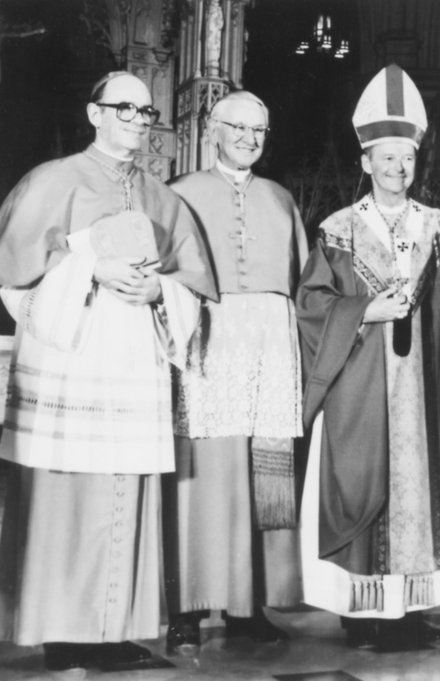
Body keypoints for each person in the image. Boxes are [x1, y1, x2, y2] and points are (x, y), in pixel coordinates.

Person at [0, 71, 216, 671]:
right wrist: (88, 269)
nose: (137, 119)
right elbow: (13, 281)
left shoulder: (163, 197)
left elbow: (193, 286)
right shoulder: (50, 181)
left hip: (134, 366)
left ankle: (116, 630)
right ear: (94, 113)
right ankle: (62, 630)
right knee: (66, 496)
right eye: (124, 108)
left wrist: (160, 290)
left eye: (146, 112)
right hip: (73, 357)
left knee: (130, 491)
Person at [295, 64, 440, 649]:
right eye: (385, 158)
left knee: (421, 484)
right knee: (365, 484)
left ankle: (409, 612)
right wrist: (363, 312)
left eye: (406, 158)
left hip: (422, 387)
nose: (397, 168)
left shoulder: (439, 226)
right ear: (365, 162)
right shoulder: (338, 231)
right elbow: (312, 305)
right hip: (359, 386)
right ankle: (362, 611)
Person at [163, 90, 307, 646]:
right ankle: (189, 609)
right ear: (214, 129)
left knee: (263, 470)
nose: (248, 139)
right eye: (238, 128)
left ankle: (250, 606)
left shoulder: (280, 198)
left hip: (270, 344)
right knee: (206, 469)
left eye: (259, 131)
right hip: (211, 339)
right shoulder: (183, 193)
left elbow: (301, 284)